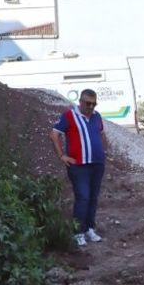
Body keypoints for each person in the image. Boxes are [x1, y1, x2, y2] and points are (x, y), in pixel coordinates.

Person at [51, 89, 109, 248]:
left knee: (93, 197)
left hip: (97, 164)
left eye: (94, 103)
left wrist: (105, 151)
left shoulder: (97, 117)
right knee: (83, 197)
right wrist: (62, 155)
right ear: (81, 102)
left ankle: (90, 228)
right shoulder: (69, 116)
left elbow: (102, 134)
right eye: (88, 103)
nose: (91, 106)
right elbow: (55, 134)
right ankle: (78, 232)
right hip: (78, 166)